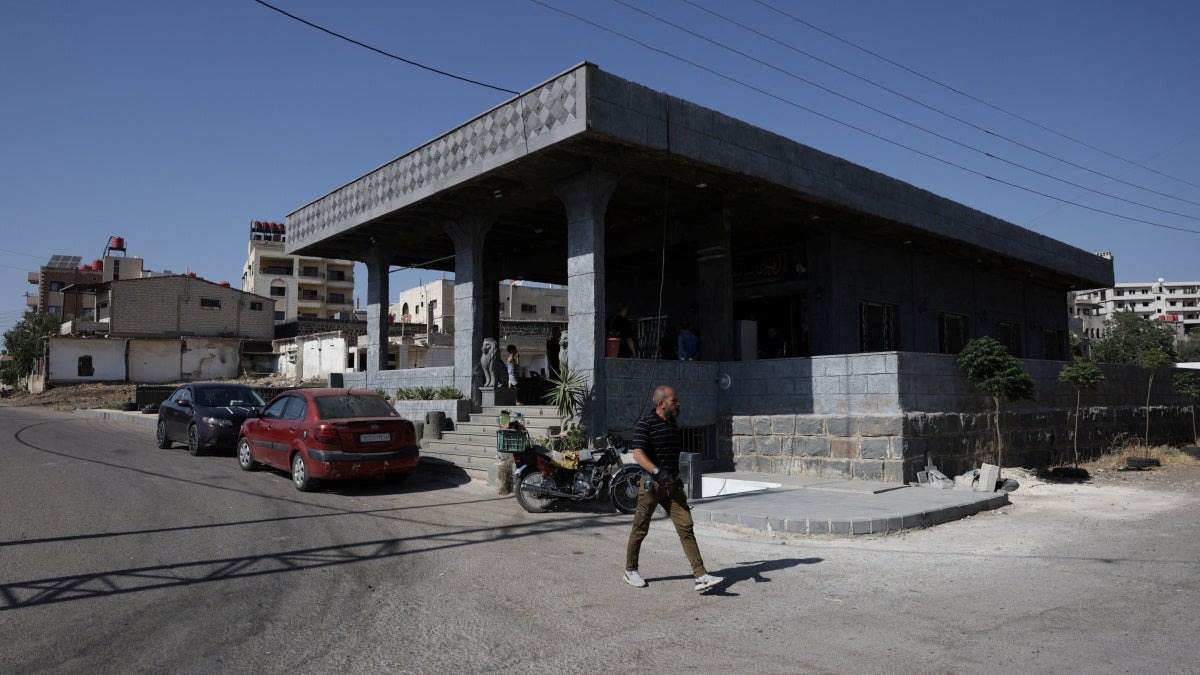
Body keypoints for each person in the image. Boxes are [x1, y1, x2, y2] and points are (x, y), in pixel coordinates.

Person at [623, 385, 724, 593]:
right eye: (674, 400)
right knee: (640, 527)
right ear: (661, 403)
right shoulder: (646, 423)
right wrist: (657, 471)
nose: (677, 404)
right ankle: (630, 571)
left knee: (686, 526)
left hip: (672, 486)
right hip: (651, 485)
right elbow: (638, 454)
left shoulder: (672, 423)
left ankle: (700, 576)